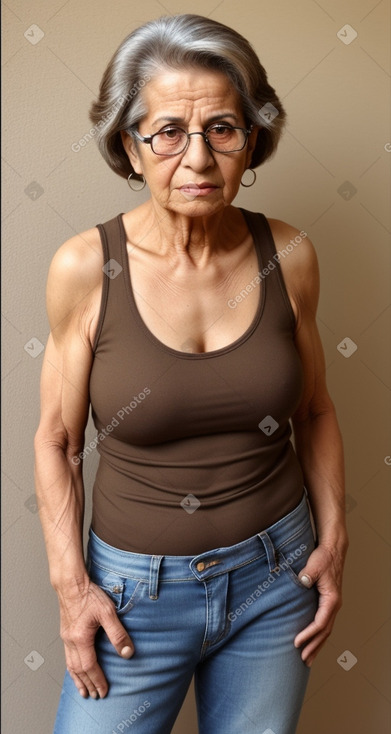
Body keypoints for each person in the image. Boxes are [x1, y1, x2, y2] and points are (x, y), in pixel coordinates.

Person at [34, 13, 348, 734]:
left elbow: (316, 413)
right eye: (168, 131)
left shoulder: (288, 253)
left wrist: (334, 545)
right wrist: (70, 588)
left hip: (277, 579)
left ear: (251, 140)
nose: (198, 160)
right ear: (129, 146)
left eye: (223, 130)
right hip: (132, 597)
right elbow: (57, 440)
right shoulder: (86, 268)